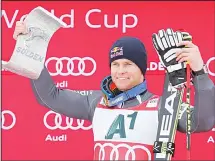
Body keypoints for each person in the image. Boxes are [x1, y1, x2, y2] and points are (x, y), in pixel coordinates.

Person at [13, 21, 215, 160]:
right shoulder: (95, 102)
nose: (120, 71)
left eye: (128, 64)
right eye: (115, 64)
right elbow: (49, 96)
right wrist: (31, 49)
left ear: (142, 69)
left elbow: (203, 122)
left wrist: (199, 71)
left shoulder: (163, 106)